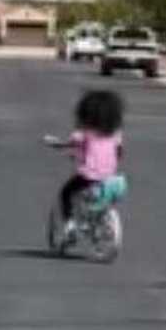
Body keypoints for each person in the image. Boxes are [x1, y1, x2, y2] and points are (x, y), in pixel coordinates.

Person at [44, 90, 125, 238]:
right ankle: (96, 220)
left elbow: (70, 143)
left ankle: (70, 225)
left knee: (66, 192)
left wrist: (55, 143)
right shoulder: (115, 133)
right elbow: (119, 151)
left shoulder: (85, 132)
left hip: (89, 174)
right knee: (96, 197)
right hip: (109, 175)